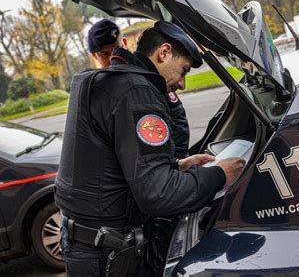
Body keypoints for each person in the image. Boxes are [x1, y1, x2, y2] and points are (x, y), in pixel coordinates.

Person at [57, 21, 246, 276]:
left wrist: (177, 166)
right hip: (107, 255)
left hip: (85, 244)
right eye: (184, 71)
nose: (182, 84)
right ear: (164, 52)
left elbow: (108, 164)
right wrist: (220, 174)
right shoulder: (137, 92)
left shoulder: (107, 81)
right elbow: (158, 195)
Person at [88, 19, 190, 158]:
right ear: (94, 55)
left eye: (116, 49)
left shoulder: (144, 78)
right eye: (105, 54)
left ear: (124, 43)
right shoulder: (96, 91)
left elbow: (178, 121)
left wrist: (177, 161)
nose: (113, 56)